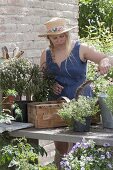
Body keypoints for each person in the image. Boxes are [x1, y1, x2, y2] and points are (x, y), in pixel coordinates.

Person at [39, 17, 113, 169]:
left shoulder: (80, 48)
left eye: (62, 36)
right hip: (57, 105)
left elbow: (105, 58)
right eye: (55, 37)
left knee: (78, 144)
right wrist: (50, 85)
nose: (59, 39)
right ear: (49, 38)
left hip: (81, 104)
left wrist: (105, 63)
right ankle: (61, 166)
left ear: (67, 35)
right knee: (60, 145)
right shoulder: (45, 55)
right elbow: (42, 79)